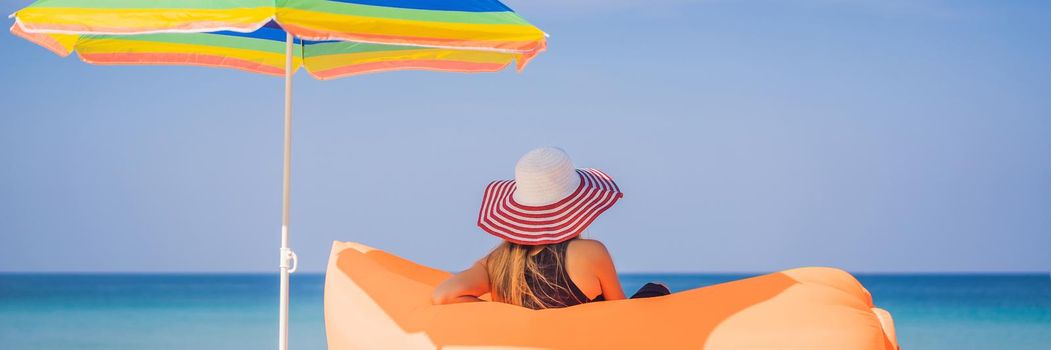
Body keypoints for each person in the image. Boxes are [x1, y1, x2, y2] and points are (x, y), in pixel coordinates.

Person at [432, 147, 670, 309]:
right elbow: (619, 315)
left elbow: (444, 294)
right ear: (578, 203)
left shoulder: (497, 262)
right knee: (658, 290)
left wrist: (513, 318)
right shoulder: (590, 252)